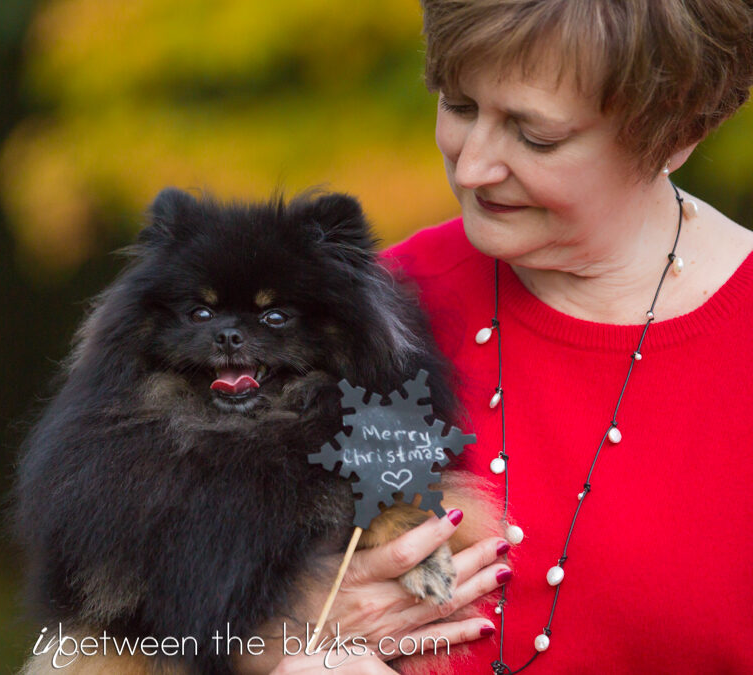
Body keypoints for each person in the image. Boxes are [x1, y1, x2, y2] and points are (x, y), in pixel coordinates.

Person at [263, 0, 753, 673]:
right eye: (459, 106)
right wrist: (286, 631)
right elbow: (137, 620)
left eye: (535, 136)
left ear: (676, 132)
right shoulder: (358, 313)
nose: (472, 168)